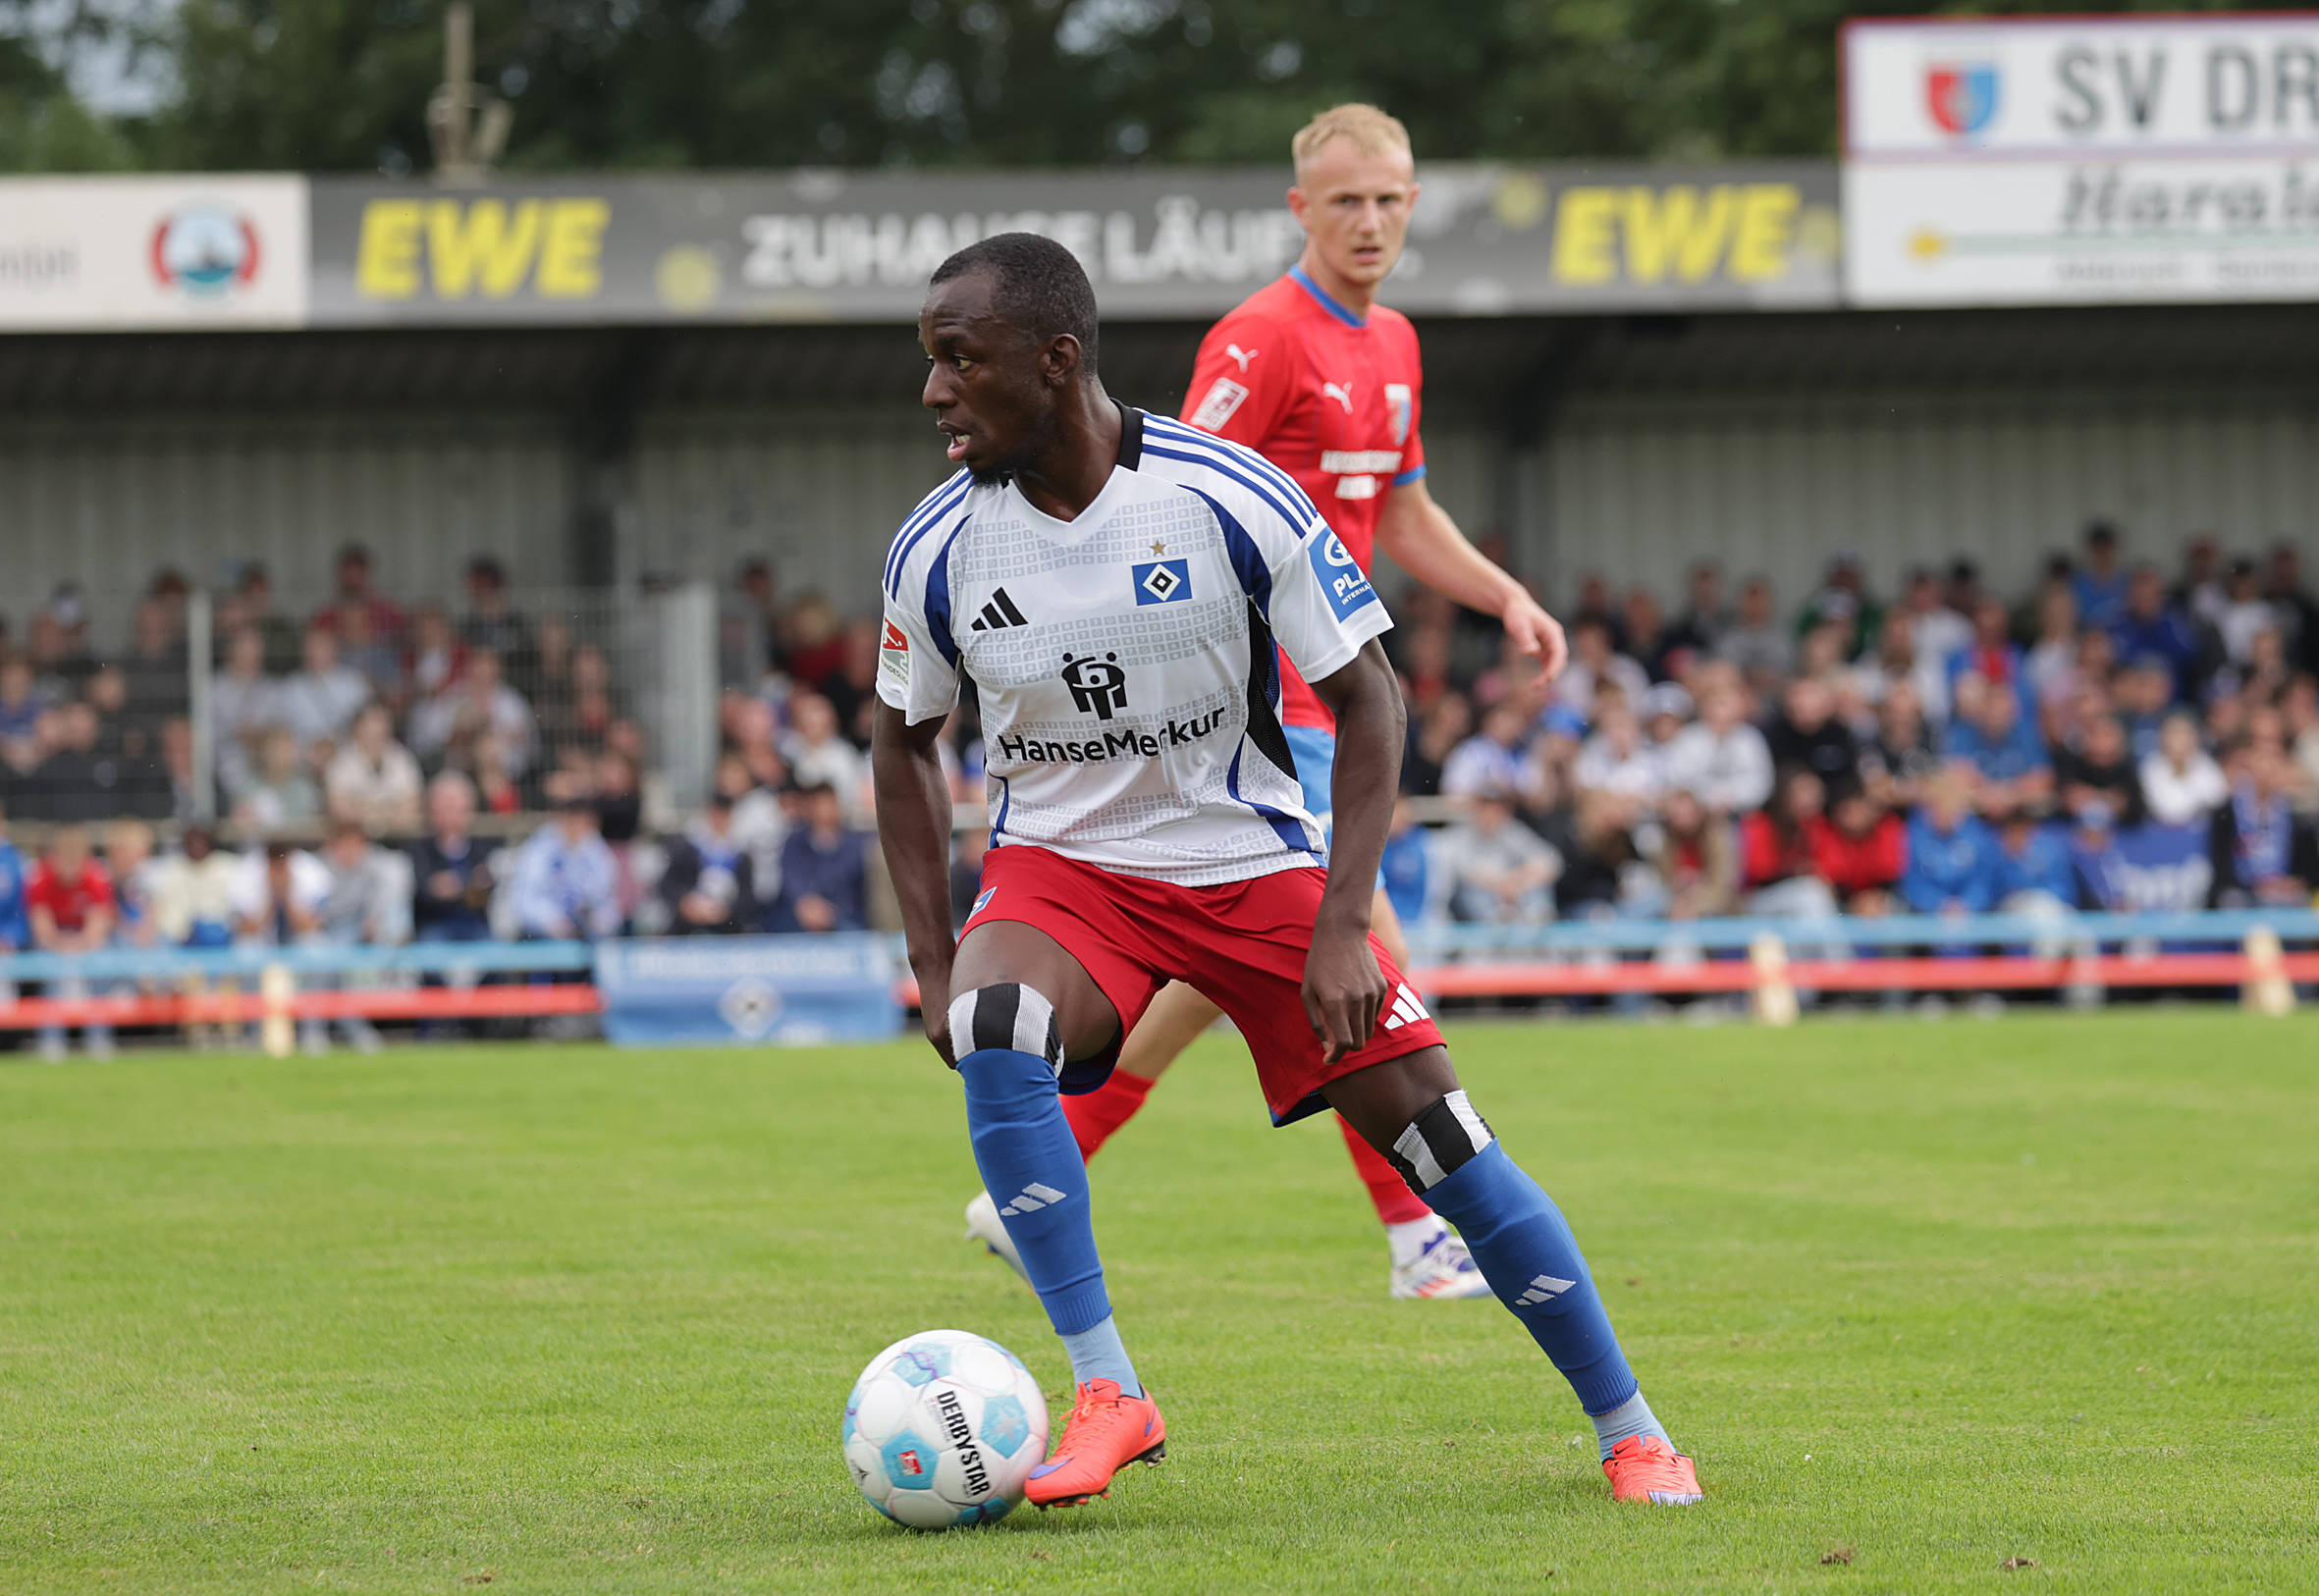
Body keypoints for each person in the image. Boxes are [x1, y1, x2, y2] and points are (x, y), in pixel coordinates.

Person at [875, 231, 1699, 1509]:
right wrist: (931, 958)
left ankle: (1631, 1429)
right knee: (993, 1019)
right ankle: (1108, 1388)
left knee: (1443, 1141)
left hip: (1252, 871)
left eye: (955, 361)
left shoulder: (1225, 496)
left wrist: (1336, 927)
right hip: (1062, 875)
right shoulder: (938, 545)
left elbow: (1369, 705)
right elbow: (899, 743)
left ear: (1053, 360)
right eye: (930, 362)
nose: (931, 391)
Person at [958, 105, 1574, 1309]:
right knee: (1364, 957)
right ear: (1302, 209)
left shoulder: (1390, 341)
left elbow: (1397, 510)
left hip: (1328, 694)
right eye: (1346, 201)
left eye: (1390, 199)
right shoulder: (1264, 338)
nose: (1371, 221)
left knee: (1208, 984)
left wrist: (1504, 595)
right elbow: (1166, 484)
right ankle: (1415, 1233)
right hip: (1257, 706)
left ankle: (1036, 1175)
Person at [27, 824, 116, 1060]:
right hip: (55, 943)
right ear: (54, 856)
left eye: (74, 857)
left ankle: (98, 1038)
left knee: (97, 969)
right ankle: (51, 1040)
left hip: (85, 942)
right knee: (54, 970)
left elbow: (97, 928)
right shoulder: (41, 878)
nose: (69, 865)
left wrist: (77, 948)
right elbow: (42, 928)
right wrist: (63, 948)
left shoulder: (95, 877)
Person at [508, 795, 622, 940]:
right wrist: (551, 921)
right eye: (574, 821)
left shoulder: (595, 848)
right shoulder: (541, 847)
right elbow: (524, 899)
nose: (579, 828)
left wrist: (599, 921)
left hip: (586, 933)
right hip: (543, 935)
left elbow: (607, 898)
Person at [772, 781, 871, 932]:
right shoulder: (795, 842)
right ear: (809, 808)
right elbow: (791, 879)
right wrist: (807, 902)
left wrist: (832, 912)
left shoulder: (857, 842)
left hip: (849, 920)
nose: (826, 810)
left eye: (830, 803)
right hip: (802, 918)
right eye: (820, 804)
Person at [659, 789, 761, 934]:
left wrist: (727, 911)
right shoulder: (688, 848)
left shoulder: (741, 853)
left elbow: (748, 896)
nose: (719, 820)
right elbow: (667, 885)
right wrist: (684, 903)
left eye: (724, 815)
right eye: (716, 814)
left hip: (728, 927)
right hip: (687, 925)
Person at [325, 703, 424, 834]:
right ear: (358, 727)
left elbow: (412, 805)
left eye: (383, 722)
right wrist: (388, 812)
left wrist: (365, 810)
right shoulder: (340, 762)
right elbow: (340, 810)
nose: (379, 728)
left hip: (398, 838)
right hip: (354, 839)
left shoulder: (402, 758)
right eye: (373, 721)